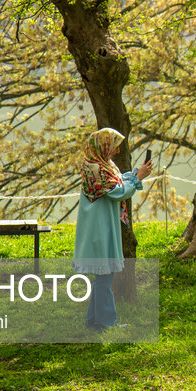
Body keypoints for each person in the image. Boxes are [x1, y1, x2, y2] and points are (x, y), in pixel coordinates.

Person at [73, 127, 152, 331]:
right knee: (105, 276)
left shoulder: (102, 164)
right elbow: (117, 192)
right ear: (104, 146)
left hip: (103, 225)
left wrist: (135, 174)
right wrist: (138, 178)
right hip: (99, 228)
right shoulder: (96, 168)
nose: (117, 151)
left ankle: (94, 322)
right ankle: (107, 323)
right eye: (114, 146)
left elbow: (117, 182)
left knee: (103, 275)